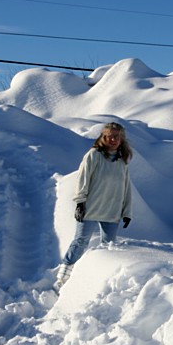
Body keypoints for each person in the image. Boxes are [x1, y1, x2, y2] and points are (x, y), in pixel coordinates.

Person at [54, 122, 133, 293]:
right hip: (90, 207)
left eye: (116, 136)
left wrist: (127, 211)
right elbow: (83, 178)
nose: (113, 139)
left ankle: (101, 279)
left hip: (112, 209)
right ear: (103, 138)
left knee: (109, 245)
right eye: (109, 136)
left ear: (121, 139)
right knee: (81, 241)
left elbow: (126, 187)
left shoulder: (122, 160)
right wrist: (80, 202)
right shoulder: (94, 155)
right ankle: (63, 276)